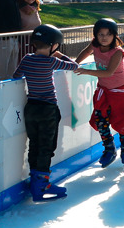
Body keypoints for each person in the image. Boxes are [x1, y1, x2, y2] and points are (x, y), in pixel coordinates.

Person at [13, 24, 79, 201]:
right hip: (48, 109)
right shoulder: (52, 61)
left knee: (34, 143)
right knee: (46, 146)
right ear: (54, 45)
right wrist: (60, 55)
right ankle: (41, 184)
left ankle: (35, 180)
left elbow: (16, 75)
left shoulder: (27, 59)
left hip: (31, 107)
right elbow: (75, 66)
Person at [75, 18, 124, 169]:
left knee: (123, 123)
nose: (104, 37)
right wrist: (75, 63)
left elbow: (109, 73)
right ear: (95, 35)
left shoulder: (118, 52)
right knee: (100, 120)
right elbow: (86, 51)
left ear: (114, 36)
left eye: (108, 34)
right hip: (104, 91)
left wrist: (85, 71)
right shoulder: (95, 45)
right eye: (100, 34)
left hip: (121, 91)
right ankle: (109, 149)